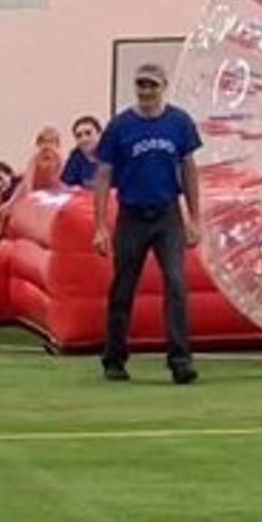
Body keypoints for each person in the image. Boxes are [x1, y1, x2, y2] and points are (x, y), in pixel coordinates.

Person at [90, 64, 203, 385]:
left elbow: (189, 170)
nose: (146, 91)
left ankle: (180, 360)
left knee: (176, 284)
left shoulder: (178, 123)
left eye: (152, 85)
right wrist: (99, 225)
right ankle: (114, 357)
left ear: (163, 87)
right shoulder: (120, 126)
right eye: (141, 85)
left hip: (167, 215)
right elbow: (103, 175)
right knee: (123, 287)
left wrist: (195, 218)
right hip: (132, 215)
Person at [62, 115, 103, 188]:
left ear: (99, 134)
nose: (84, 139)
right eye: (79, 136)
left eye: (88, 133)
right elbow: (65, 186)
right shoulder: (75, 157)